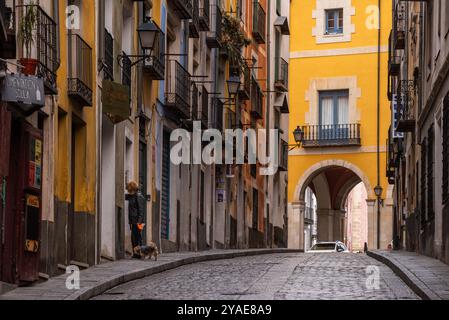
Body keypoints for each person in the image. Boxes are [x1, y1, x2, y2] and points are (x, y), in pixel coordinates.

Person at [125, 181, 146, 259]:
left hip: (138, 221)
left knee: (138, 237)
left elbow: (141, 210)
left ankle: (141, 253)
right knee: (133, 238)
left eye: (130, 190)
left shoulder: (138, 196)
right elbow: (124, 196)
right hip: (132, 221)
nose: (129, 192)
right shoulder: (132, 196)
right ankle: (135, 253)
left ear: (133, 189)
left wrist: (139, 222)